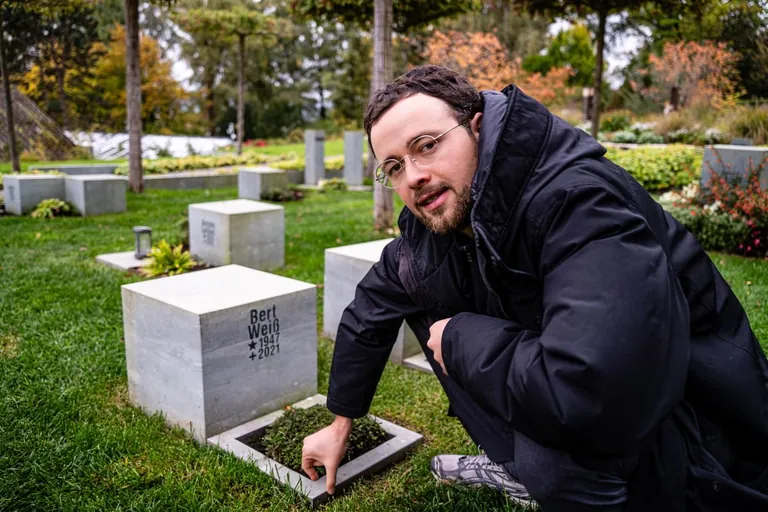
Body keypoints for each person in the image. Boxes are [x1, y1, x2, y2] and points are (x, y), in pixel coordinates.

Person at [300, 65, 768, 511]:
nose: (415, 176)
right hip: (594, 394)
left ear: (477, 127)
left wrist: (462, 339)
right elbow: (372, 306)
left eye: (426, 145)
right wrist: (341, 421)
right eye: (395, 167)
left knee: (552, 463)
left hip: (697, 431)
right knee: (423, 297)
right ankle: (515, 464)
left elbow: (593, 394)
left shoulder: (577, 200)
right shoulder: (441, 224)